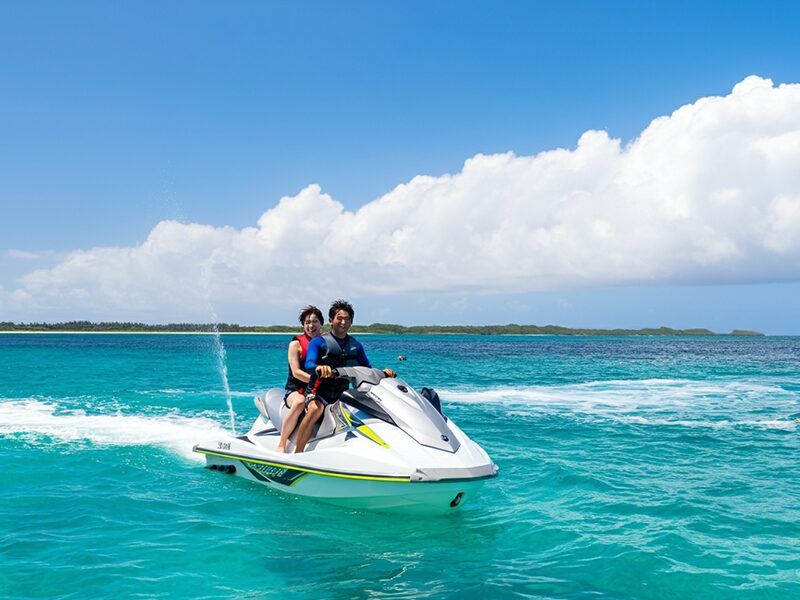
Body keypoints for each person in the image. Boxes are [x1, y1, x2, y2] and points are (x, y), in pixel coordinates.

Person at [293, 299, 396, 453]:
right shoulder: (318, 342)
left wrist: (383, 373)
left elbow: (366, 369)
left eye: (347, 319)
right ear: (330, 320)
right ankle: (298, 453)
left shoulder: (356, 345)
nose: (343, 322)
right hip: (318, 392)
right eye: (339, 318)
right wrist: (319, 368)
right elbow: (309, 364)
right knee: (315, 409)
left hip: (343, 393)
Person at [276, 305, 324, 453]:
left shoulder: (326, 341)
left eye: (315, 321)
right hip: (296, 390)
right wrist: (317, 380)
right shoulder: (295, 344)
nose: (311, 325)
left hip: (317, 389)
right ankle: (282, 444)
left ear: (321, 323)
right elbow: (296, 372)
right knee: (299, 402)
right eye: (307, 322)